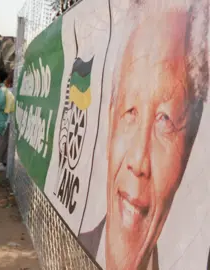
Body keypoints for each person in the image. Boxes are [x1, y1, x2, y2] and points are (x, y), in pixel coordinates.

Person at [78, 4, 209, 270]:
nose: (139, 162)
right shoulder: (73, 250)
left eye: (166, 120)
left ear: (190, 145)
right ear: (110, 121)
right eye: (130, 111)